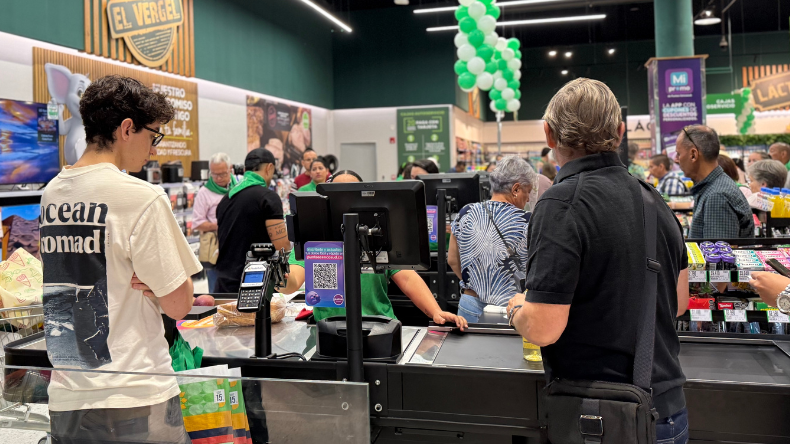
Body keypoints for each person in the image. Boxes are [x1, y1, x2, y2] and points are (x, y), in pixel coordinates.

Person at [506, 78, 690, 443]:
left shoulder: (561, 204)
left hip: (601, 417)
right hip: (667, 411)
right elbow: (680, 302)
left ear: (549, 134)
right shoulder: (653, 201)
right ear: (620, 132)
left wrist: (517, 308)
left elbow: (543, 328)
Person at [41, 75, 200, 443]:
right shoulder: (141, 197)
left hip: (67, 394)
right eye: (153, 135)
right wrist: (159, 286)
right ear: (127, 129)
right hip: (136, 391)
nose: (154, 149)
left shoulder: (52, 193)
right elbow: (179, 304)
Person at [279, 171, 468, 330]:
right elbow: (293, 281)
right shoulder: (318, 243)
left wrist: (435, 311)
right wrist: (280, 278)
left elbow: (408, 278)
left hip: (380, 326)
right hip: (329, 330)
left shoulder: (378, 239)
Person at [448, 156, 534, 323]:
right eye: (527, 191)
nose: (529, 199)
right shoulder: (528, 221)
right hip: (511, 310)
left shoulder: (466, 213)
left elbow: (452, 260)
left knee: (468, 349)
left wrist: (475, 284)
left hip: (469, 306)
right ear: (516, 189)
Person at [214, 148, 290, 292]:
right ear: (270, 168)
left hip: (224, 284)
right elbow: (282, 246)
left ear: (244, 169)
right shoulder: (268, 197)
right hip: (255, 284)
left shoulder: (226, 199)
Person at [676, 125, 754, 239]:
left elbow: (718, 255)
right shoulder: (712, 187)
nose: (676, 159)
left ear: (693, 155)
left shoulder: (717, 196)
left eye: (678, 154)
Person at [193, 152, 236, 292]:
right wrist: (221, 226)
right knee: (216, 290)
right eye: (215, 174)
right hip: (215, 248)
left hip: (237, 246)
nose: (218, 178)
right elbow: (198, 223)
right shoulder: (204, 193)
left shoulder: (239, 187)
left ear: (230, 170)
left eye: (223, 174)